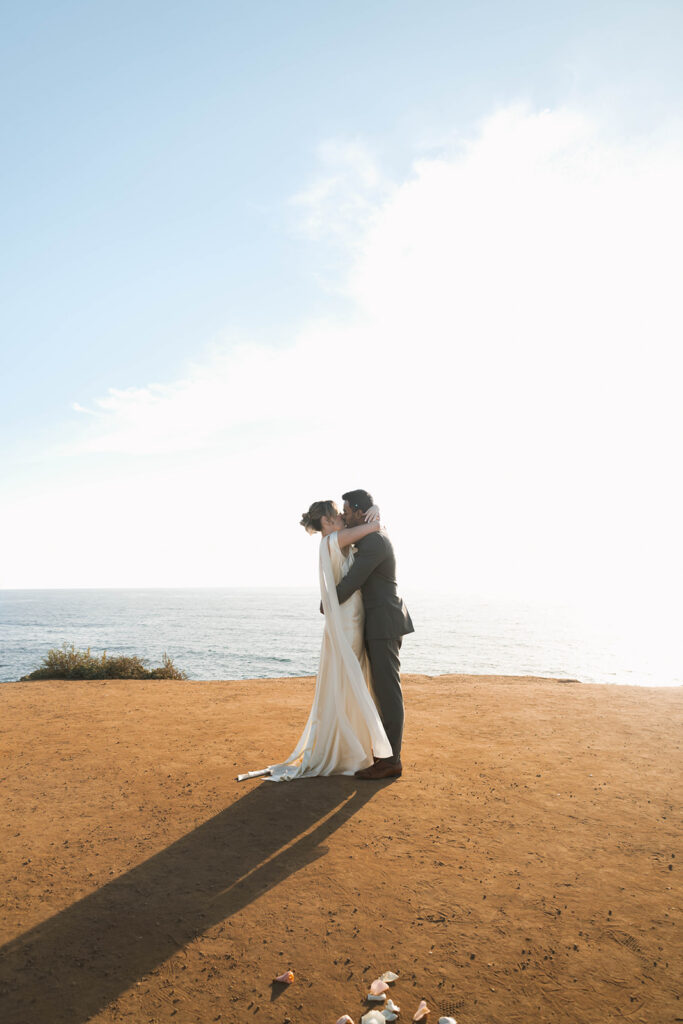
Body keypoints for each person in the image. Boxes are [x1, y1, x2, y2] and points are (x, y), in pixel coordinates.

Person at [238, 500, 393, 782]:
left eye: (338, 513)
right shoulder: (334, 539)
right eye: (334, 515)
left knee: (348, 678)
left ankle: (349, 745)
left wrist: (376, 507)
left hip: (350, 614)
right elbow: (376, 527)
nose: (339, 517)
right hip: (349, 618)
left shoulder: (334, 540)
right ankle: (353, 748)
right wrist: (377, 512)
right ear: (324, 522)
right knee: (351, 677)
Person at [335, 489, 414, 780]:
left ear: (359, 511)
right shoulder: (370, 538)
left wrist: (327, 604)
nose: (343, 515)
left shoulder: (374, 543)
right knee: (382, 691)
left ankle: (391, 760)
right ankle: (386, 755)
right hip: (380, 623)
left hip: (384, 624)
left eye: (346, 510)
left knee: (387, 692)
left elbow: (352, 581)